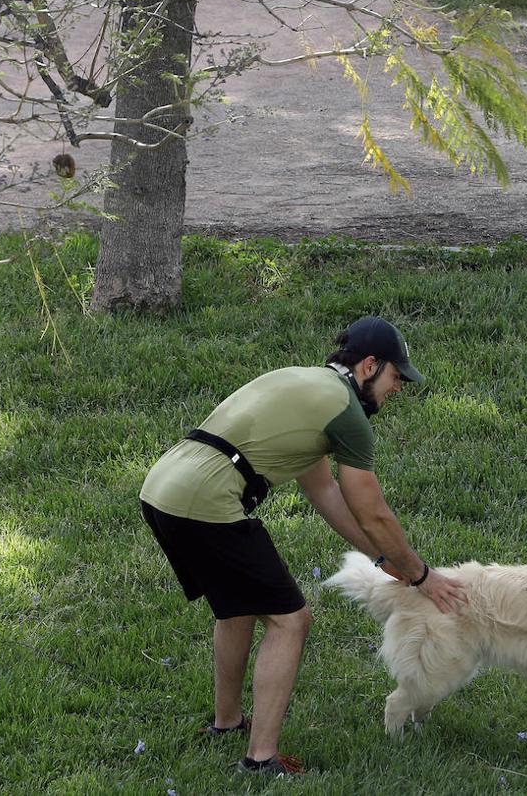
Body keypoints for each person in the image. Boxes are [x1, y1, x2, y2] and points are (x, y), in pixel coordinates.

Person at [139, 316, 466, 776]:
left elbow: (325, 493)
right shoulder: (347, 415)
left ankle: (227, 725)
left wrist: (382, 559)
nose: (397, 389)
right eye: (396, 377)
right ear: (370, 366)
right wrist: (421, 575)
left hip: (163, 489)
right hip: (205, 501)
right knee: (291, 620)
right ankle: (261, 760)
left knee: (236, 608)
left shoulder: (308, 385)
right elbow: (371, 509)